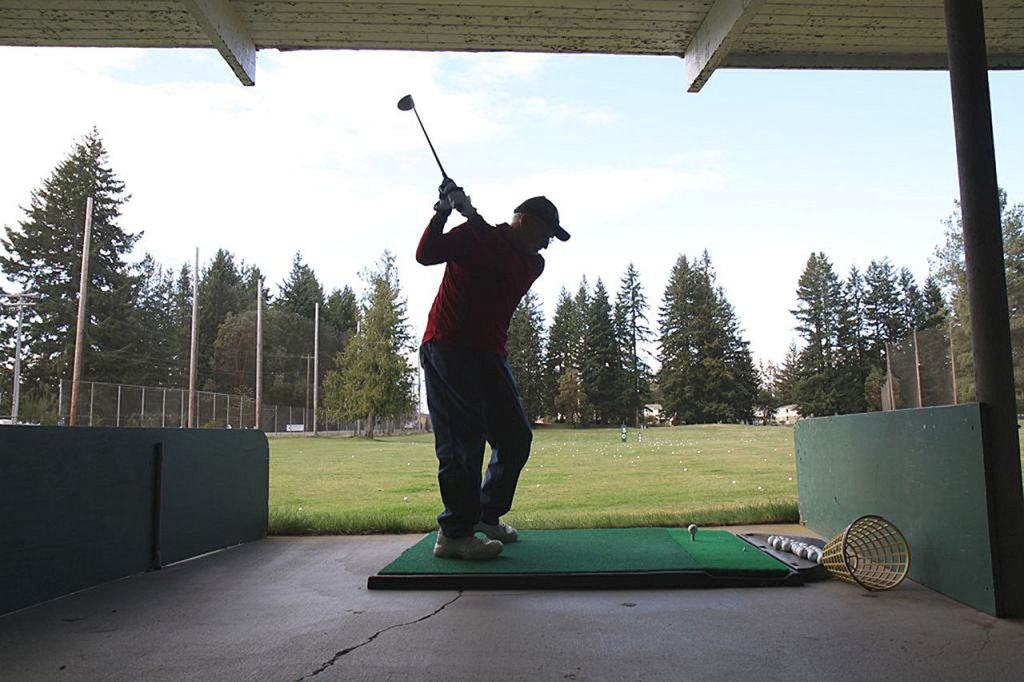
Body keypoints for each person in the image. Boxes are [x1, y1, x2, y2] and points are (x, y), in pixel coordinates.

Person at [416, 178, 570, 560]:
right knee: (462, 441)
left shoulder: (531, 264)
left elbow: (502, 263)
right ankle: (454, 534)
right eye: (546, 234)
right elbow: (426, 254)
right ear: (525, 221)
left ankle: (486, 515)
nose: (547, 244)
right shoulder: (475, 235)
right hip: (448, 347)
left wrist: (472, 215)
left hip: (489, 354)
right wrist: (443, 212)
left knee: (515, 437)